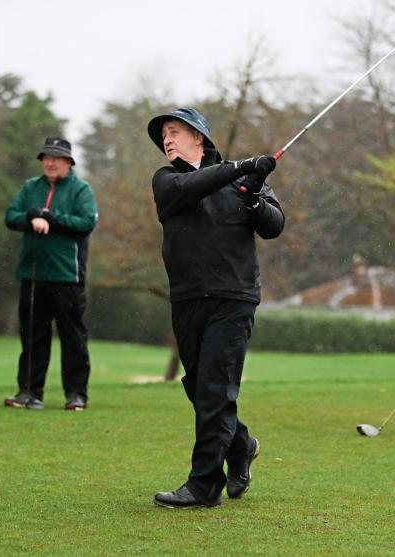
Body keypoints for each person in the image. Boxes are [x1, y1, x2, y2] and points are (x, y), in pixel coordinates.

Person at [147, 108, 285, 508]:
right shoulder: (167, 180)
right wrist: (241, 168)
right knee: (200, 388)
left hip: (233, 298)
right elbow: (190, 189)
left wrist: (255, 198)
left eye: (174, 132)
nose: (167, 140)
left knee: (213, 389)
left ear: (200, 137)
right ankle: (241, 446)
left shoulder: (242, 179)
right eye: (163, 136)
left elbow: (273, 225)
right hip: (188, 298)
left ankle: (205, 484)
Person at [3, 137, 98, 411]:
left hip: (68, 276)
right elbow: (11, 216)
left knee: (73, 338)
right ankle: (30, 392)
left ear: (69, 162)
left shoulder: (81, 190)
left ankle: (76, 394)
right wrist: (32, 216)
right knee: (33, 336)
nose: (50, 162)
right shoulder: (30, 187)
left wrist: (50, 217)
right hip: (33, 275)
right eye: (46, 157)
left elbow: (86, 222)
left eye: (57, 158)